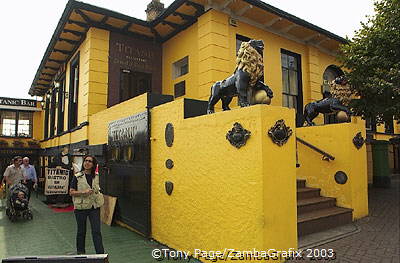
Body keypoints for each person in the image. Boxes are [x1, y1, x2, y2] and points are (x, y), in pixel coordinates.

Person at [69, 155, 104, 254]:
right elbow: (71, 192)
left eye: (90, 161)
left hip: (94, 207)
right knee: (81, 232)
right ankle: (80, 253)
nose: (87, 163)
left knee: (96, 231)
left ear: (93, 164)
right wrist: (83, 193)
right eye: (85, 161)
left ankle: (100, 254)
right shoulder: (77, 177)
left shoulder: (96, 176)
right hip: (81, 208)